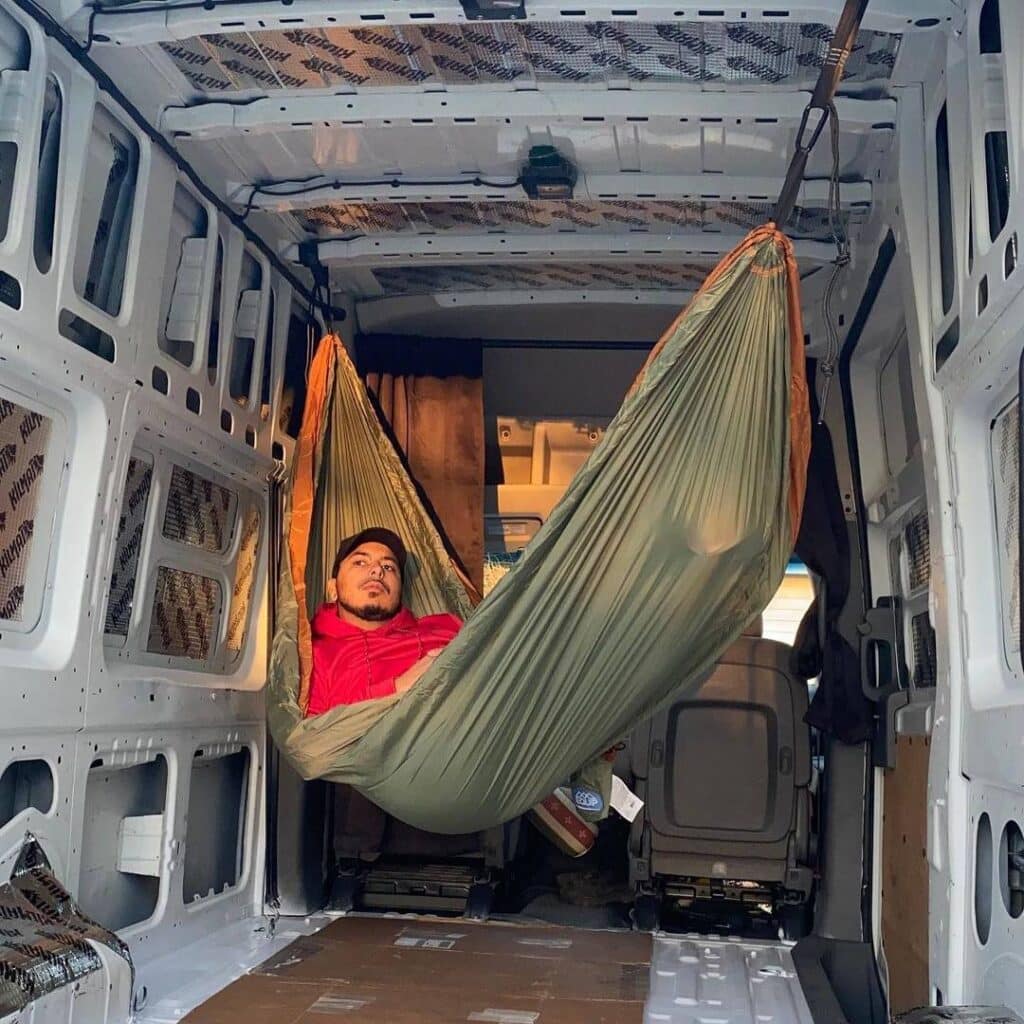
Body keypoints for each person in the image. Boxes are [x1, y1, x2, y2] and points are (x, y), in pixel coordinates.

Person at [306, 526, 462, 715]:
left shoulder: (446, 626)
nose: (377, 571)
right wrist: (400, 688)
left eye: (388, 567)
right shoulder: (312, 656)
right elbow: (316, 735)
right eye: (360, 562)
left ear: (399, 591)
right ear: (333, 588)